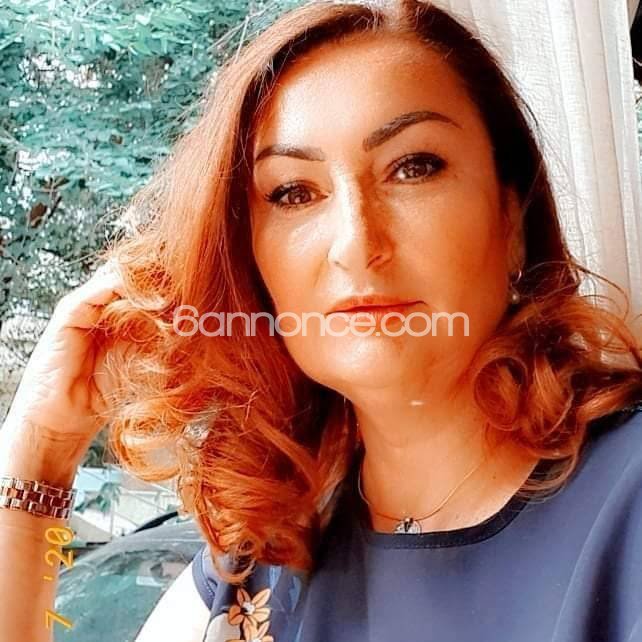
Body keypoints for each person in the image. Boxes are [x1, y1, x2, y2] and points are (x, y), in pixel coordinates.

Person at [1, 1, 641, 641]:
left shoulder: (627, 502)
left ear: (512, 220)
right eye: (293, 192)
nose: (356, 244)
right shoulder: (255, 566)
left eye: (413, 167)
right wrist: (40, 457)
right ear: (252, 264)